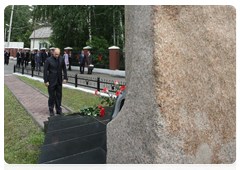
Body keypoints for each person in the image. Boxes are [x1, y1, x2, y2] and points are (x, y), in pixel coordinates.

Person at [44, 48, 67, 116]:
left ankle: (58, 109)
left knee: (59, 95)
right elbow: (45, 71)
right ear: (53, 53)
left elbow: (64, 69)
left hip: (59, 80)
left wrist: (65, 77)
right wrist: (46, 81)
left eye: (58, 54)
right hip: (51, 81)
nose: (57, 55)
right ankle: (51, 109)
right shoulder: (48, 60)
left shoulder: (61, 59)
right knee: (52, 96)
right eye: (56, 54)